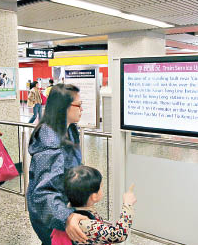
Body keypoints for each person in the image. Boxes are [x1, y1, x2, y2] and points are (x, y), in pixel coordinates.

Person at [27, 83, 88, 244]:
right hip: (52, 215)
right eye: (79, 105)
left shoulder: (69, 130)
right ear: (64, 107)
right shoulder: (49, 140)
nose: (82, 109)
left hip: (63, 206)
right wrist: (66, 217)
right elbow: (43, 192)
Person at [54, 165, 136, 244]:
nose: (102, 188)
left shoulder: (66, 210)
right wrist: (127, 205)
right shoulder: (85, 224)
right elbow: (119, 235)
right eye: (101, 186)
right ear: (94, 196)